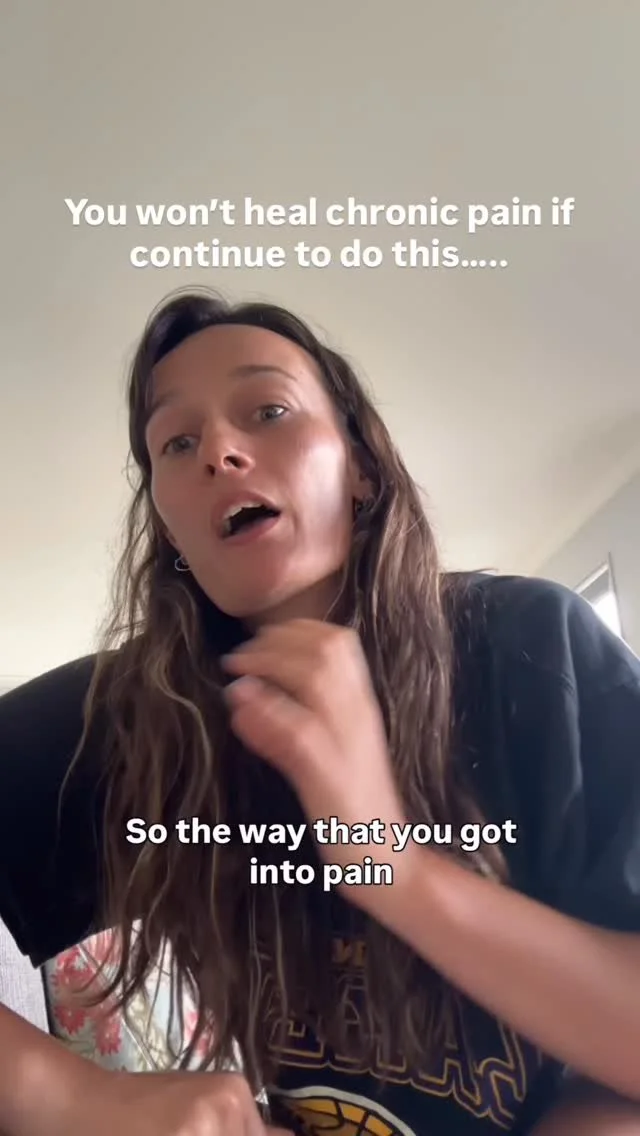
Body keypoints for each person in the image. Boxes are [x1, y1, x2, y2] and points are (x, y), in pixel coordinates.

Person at [0, 289, 639, 1136]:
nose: (218, 450)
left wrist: (390, 865)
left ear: (360, 466)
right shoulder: (137, 719)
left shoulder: (534, 648)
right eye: (177, 442)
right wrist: (66, 1097)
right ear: (172, 532)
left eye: (268, 410)